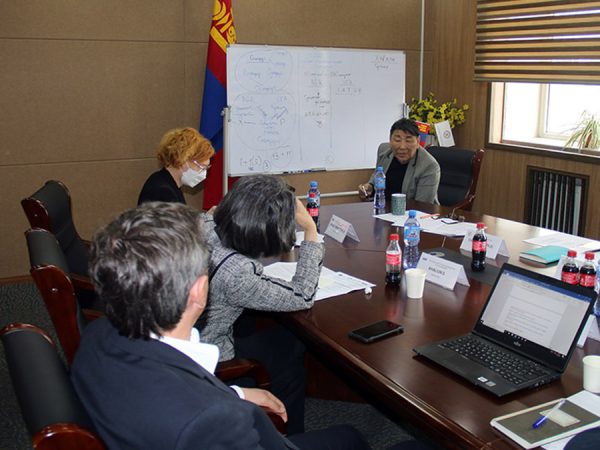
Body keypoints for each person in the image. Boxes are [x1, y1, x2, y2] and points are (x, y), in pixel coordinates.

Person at [71, 202, 372, 450]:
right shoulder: (212, 422)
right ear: (199, 291)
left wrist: (235, 394)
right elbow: (197, 414)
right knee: (351, 437)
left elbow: (171, 391)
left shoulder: (96, 335)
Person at [199, 174, 322, 434]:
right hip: (212, 356)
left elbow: (212, 214)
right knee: (290, 365)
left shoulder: (204, 225)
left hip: (190, 337)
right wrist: (311, 231)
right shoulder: (238, 273)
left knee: (289, 339)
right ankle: (290, 438)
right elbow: (303, 295)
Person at [358, 118, 440, 204]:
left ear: (418, 141)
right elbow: (377, 176)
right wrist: (369, 187)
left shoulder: (429, 165)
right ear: (390, 139)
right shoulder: (384, 151)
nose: (402, 147)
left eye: (408, 140)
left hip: (413, 210)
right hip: (384, 208)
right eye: (397, 140)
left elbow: (421, 206)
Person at [137, 127, 214, 205]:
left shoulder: (163, 179)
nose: (204, 174)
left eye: (206, 168)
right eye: (201, 167)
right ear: (183, 159)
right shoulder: (163, 191)